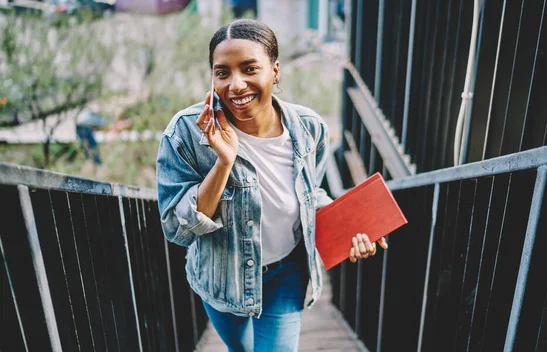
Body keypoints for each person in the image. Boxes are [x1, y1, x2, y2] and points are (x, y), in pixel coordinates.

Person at [156, 19, 387, 351]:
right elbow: (176, 230)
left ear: (275, 71)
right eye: (222, 73)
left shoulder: (310, 128)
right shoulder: (186, 133)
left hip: (286, 274)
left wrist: (351, 227)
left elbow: (310, 194)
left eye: (250, 68)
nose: (236, 85)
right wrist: (223, 161)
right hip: (224, 278)